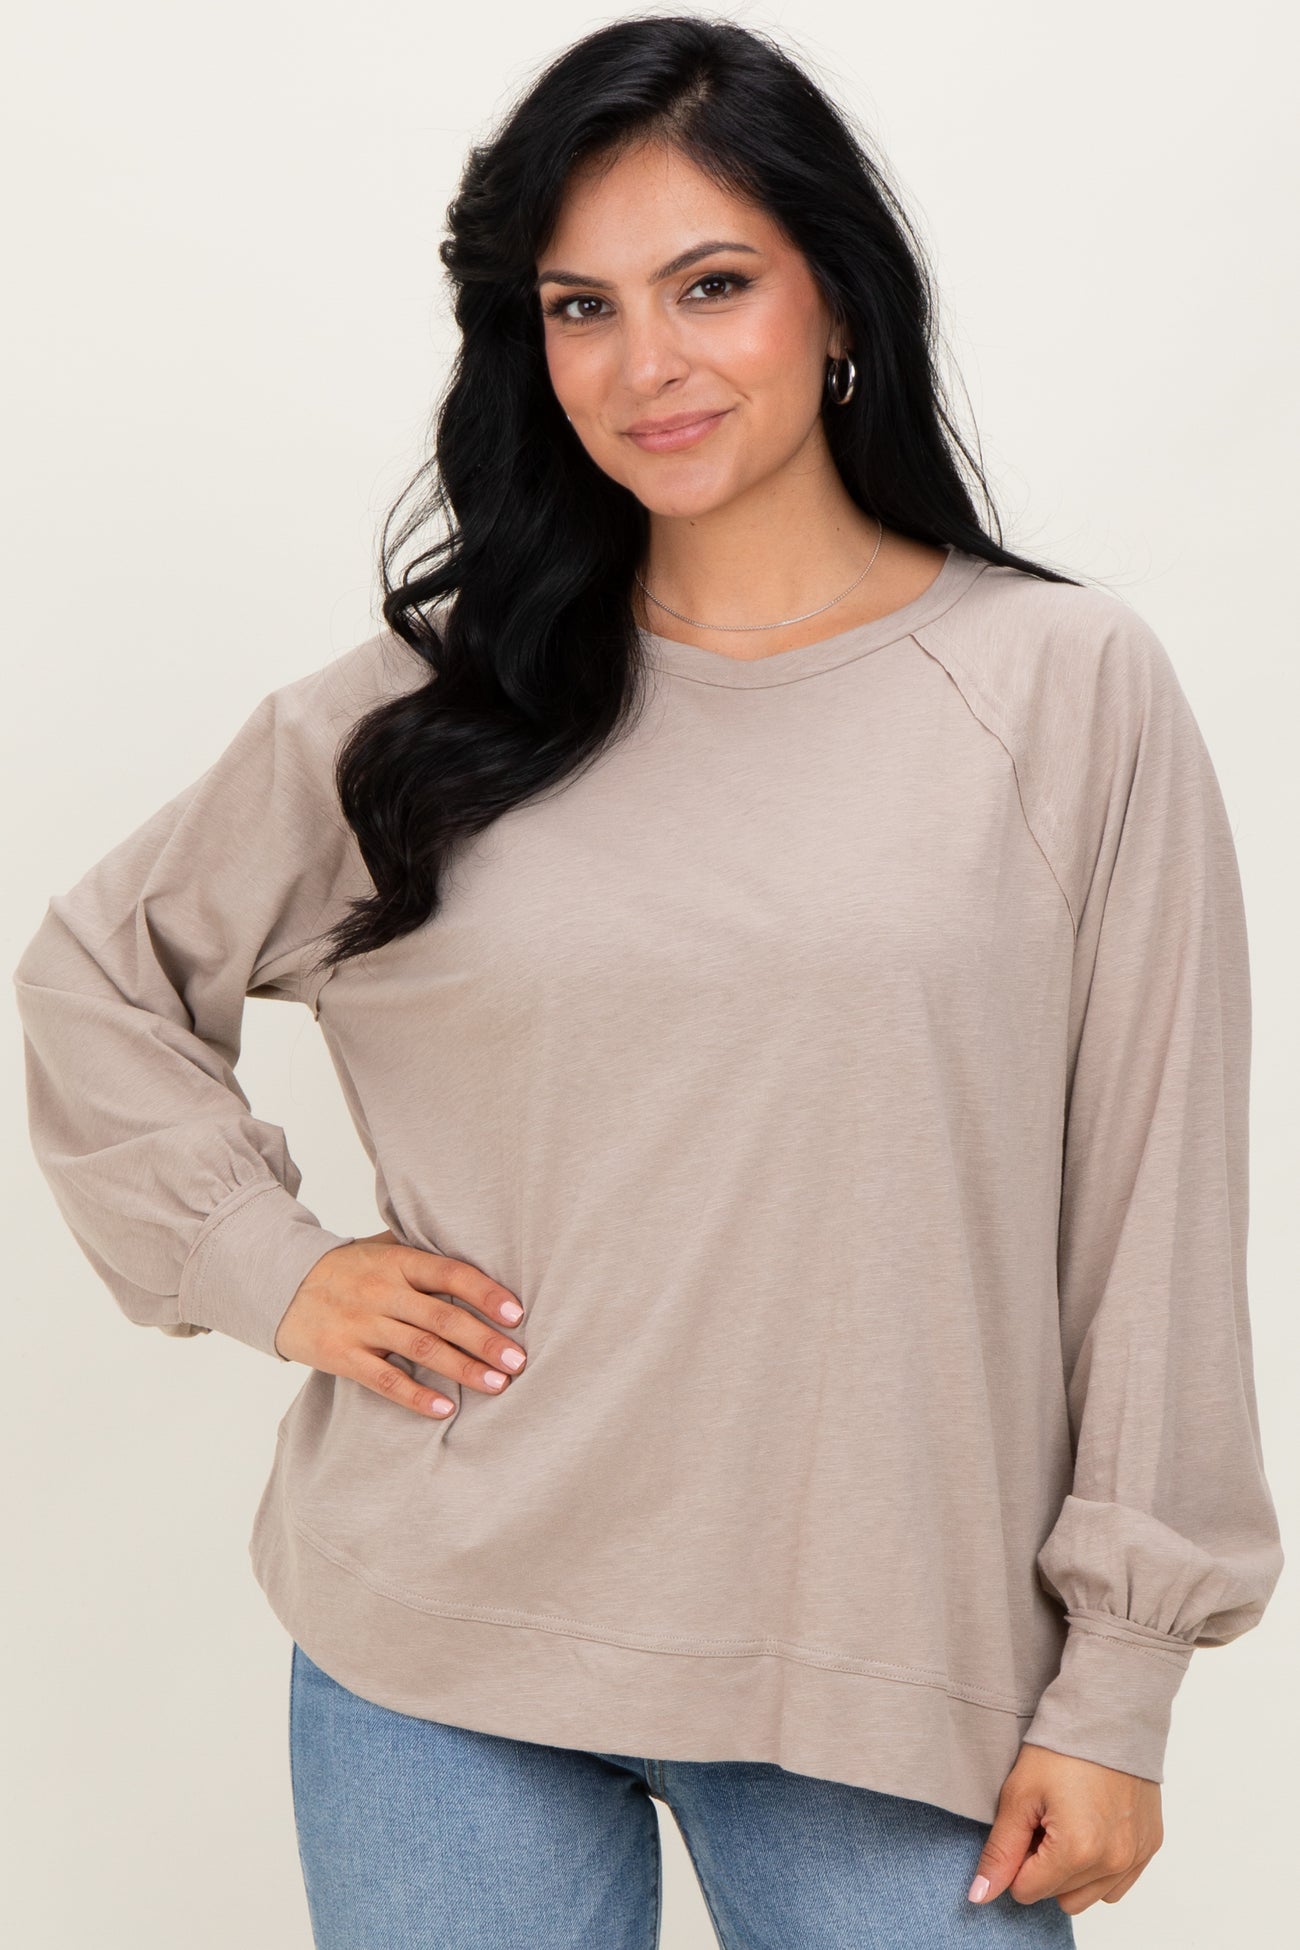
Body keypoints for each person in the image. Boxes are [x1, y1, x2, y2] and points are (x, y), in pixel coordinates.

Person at [12, 15, 1284, 1949]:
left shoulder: (1061, 688)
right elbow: (95, 974)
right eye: (580, 307)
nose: (646, 365)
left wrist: (1120, 1679)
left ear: (834, 295)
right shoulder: (431, 710)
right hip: (437, 1649)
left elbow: (1153, 1206)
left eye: (711, 286)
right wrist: (270, 1263)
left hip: (883, 1668)